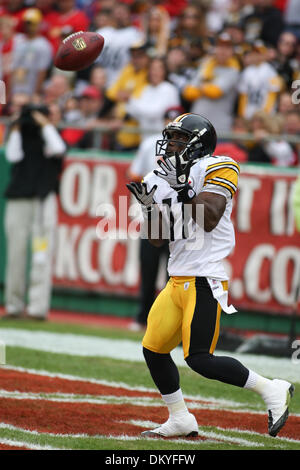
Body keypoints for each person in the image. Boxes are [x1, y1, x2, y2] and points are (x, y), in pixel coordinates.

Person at [126, 112, 294, 438]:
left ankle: (271, 388)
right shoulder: (160, 175)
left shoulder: (220, 165)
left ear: (197, 144)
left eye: (179, 139)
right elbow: (159, 238)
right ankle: (180, 418)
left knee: (200, 358)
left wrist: (185, 190)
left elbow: (209, 218)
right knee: (154, 349)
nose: (171, 145)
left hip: (205, 275)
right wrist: (148, 206)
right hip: (177, 277)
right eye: (170, 138)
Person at [2, 103, 67, 321]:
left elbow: (58, 149)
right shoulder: (20, 135)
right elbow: (12, 156)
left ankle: (38, 308)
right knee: (15, 254)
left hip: (42, 200)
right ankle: (13, 305)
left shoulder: (51, 136)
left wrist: (45, 125)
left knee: (41, 255)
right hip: (19, 200)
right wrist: (18, 127)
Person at [127, 106, 184, 332]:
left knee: (177, 273)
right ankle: (144, 316)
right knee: (148, 268)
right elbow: (136, 175)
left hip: (180, 217)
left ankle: (174, 321)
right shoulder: (150, 143)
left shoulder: (192, 153)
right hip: (153, 213)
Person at [11, 8, 53, 98]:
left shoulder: (44, 45)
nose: (29, 26)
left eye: (32, 23)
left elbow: (42, 71)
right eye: (27, 23)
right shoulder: (17, 40)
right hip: (16, 87)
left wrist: (35, 93)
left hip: (30, 88)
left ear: (39, 24)